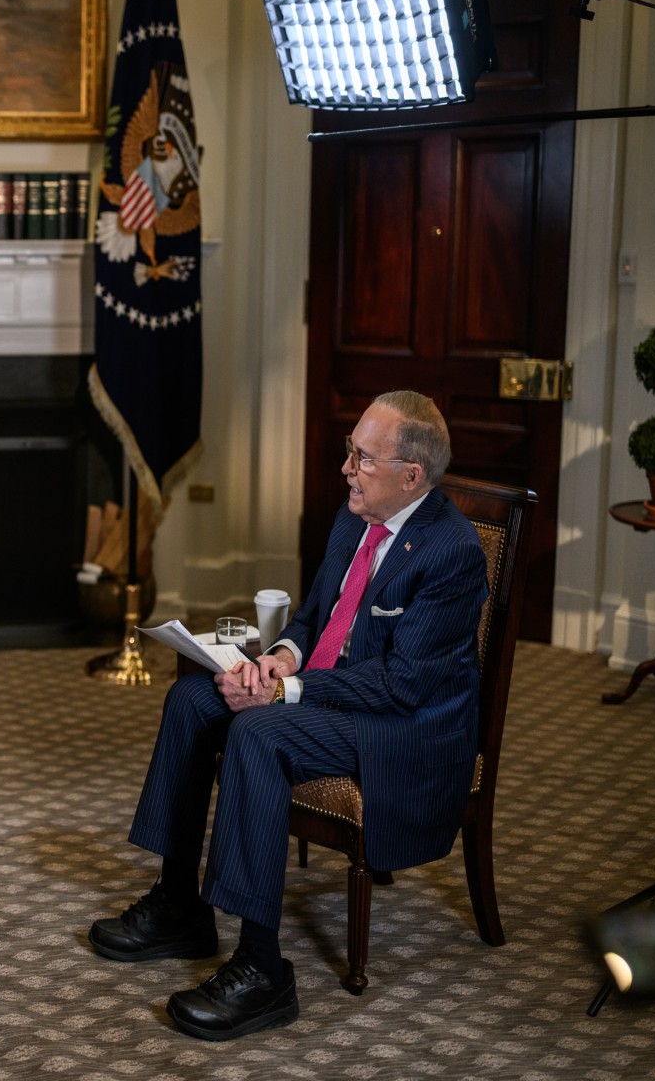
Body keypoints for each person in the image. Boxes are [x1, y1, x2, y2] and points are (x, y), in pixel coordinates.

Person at [88, 391, 489, 1040]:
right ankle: (180, 906)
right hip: (329, 687)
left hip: (400, 727)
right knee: (194, 698)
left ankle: (261, 967)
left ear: (410, 476)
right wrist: (279, 658)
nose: (346, 468)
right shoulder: (356, 515)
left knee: (257, 730)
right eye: (350, 452)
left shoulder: (451, 553)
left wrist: (283, 694)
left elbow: (404, 685)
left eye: (362, 457)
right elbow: (314, 616)